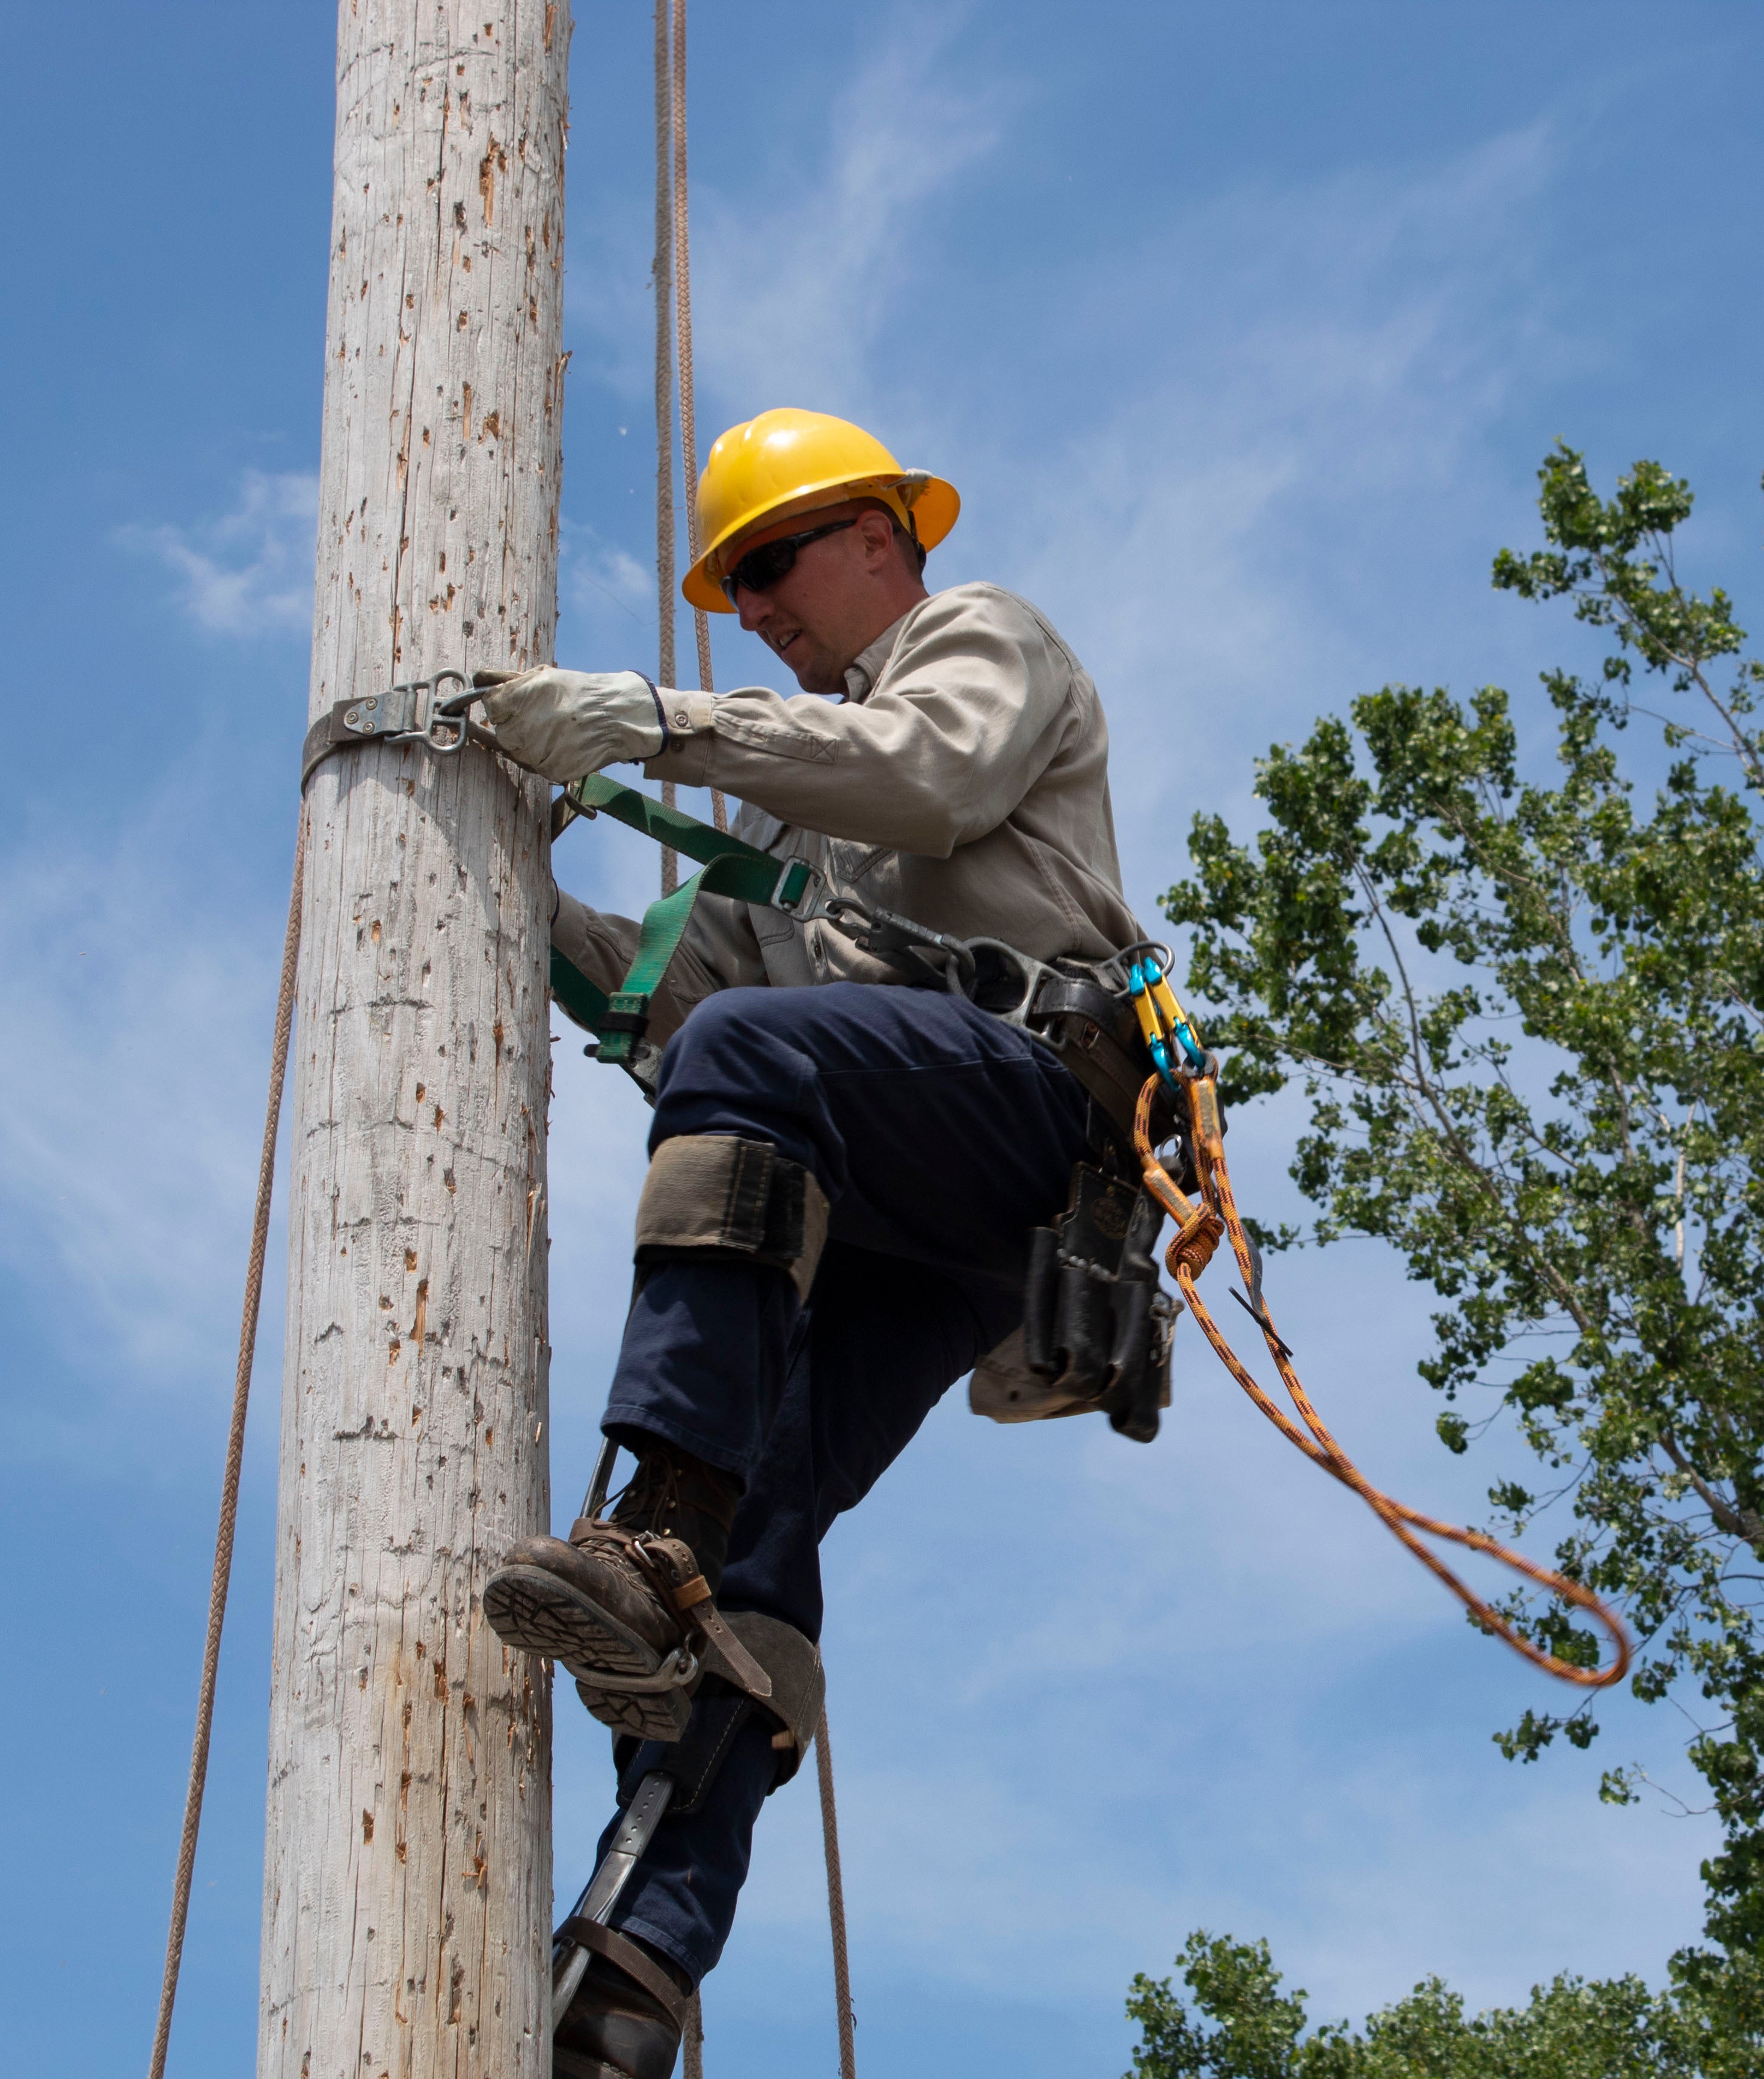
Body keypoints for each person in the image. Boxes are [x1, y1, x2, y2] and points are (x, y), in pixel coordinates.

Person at [470, 408, 1150, 2079]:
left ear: (873, 534)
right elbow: (686, 1002)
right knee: (764, 1538)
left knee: (758, 1061)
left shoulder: (981, 641)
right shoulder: (793, 806)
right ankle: (628, 1973)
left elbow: (934, 775)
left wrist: (644, 725)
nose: (756, 610)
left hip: (1019, 1117)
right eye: (734, 592)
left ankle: (655, 1518)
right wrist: (504, 889)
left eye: (769, 568)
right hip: (891, 1191)